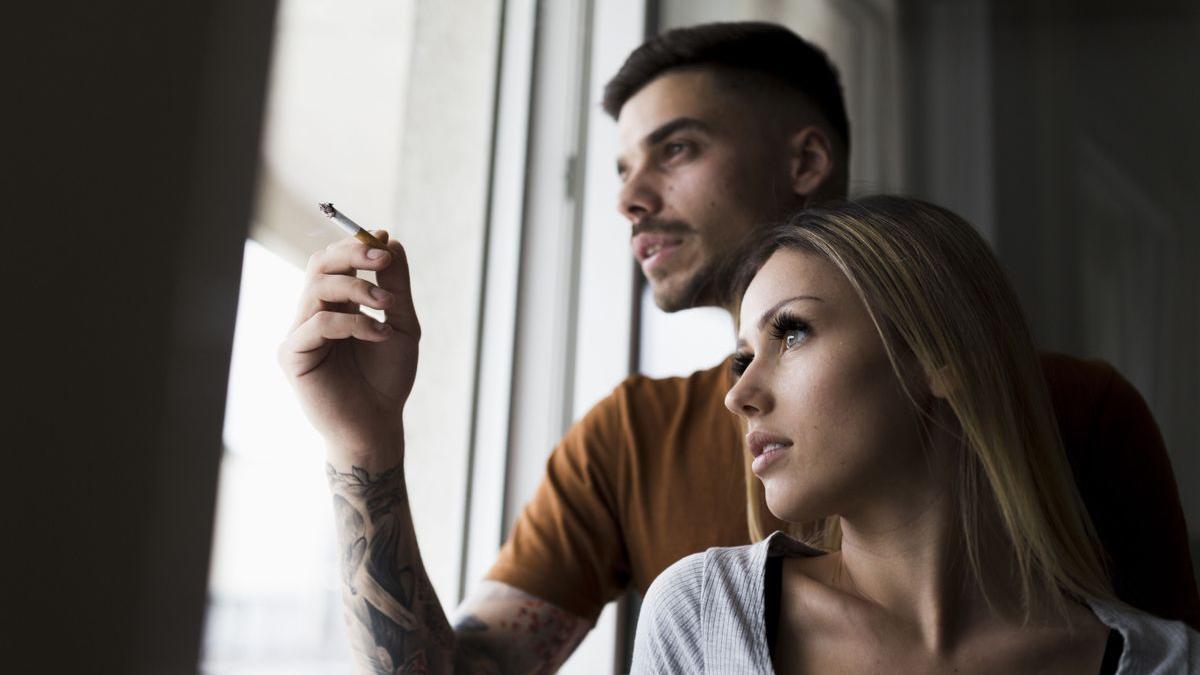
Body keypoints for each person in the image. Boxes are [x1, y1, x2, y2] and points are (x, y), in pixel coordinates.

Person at [278, 21, 1198, 673]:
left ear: (805, 161)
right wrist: (365, 451)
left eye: (673, 150)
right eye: (621, 169)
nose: (630, 199)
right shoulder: (628, 440)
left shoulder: (1079, 412)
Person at [631, 196, 1200, 673]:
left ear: (937, 356)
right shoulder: (702, 616)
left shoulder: (1167, 663)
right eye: (742, 359)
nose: (738, 396)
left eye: (793, 333)